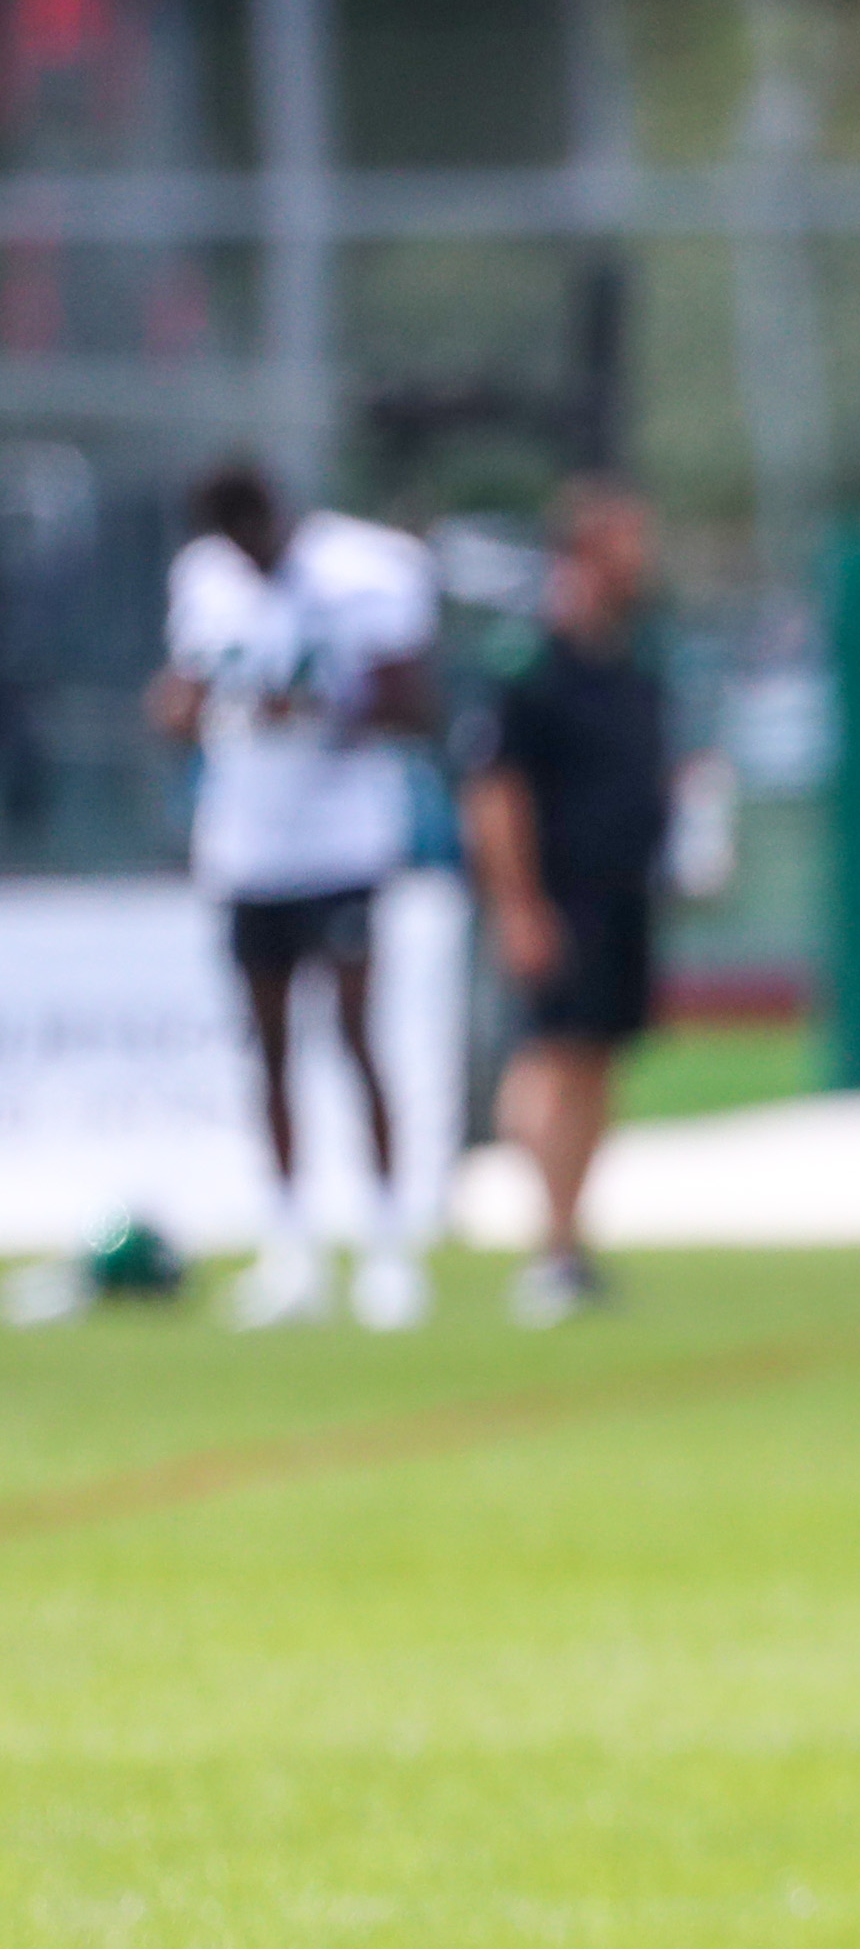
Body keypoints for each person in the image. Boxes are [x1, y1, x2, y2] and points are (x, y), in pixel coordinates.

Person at [150, 462, 440, 1330]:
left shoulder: (361, 570)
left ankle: (390, 1245)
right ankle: (291, 1244)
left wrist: (316, 709)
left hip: (343, 839)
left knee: (354, 1032)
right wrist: (191, 709)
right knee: (267, 1045)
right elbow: (181, 699)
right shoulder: (205, 583)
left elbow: (416, 703)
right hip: (247, 848)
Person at [460, 480, 672, 1327]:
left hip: (625, 893)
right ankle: (545, 1243)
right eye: (628, 544)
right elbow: (496, 792)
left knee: (598, 1059)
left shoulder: (632, 659)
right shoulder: (530, 664)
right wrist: (519, 906)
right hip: (560, 894)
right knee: (550, 1053)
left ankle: (573, 1238)